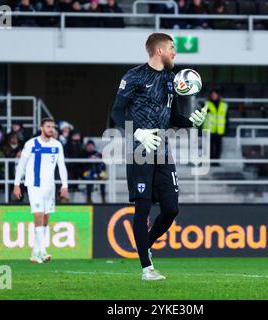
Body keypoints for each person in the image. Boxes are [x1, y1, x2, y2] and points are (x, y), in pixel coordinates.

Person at [111, 33, 207, 281]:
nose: (175, 53)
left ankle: (146, 245)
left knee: (171, 209)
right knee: (142, 209)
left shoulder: (170, 79)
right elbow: (117, 112)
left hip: (163, 151)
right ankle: (146, 269)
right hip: (140, 150)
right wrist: (137, 132)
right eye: (172, 48)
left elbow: (173, 117)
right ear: (159, 51)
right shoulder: (134, 76)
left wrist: (192, 122)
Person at [13, 118, 68, 264]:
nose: (51, 129)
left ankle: (34, 253)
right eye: (48, 126)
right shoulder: (31, 144)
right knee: (38, 216)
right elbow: (21, 165)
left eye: (53, 127)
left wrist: (64, 185)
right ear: (41, 128)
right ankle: (43, 252)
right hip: (34, 186)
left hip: (50, 187)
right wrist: (16, 184)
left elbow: (61, 166)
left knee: (45, 219)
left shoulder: (57, 145)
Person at [202, 89, 228, 162]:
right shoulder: (205, 104)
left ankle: (217, 161)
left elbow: (226, 118)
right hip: (209, 129)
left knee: (218, 146)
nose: (213, 96)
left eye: (215, 94)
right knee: (209, 146)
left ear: (218, 95)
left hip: (219, 130)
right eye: (212, 94)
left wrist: (226, 129)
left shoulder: (224, 105)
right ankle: (209, 160)